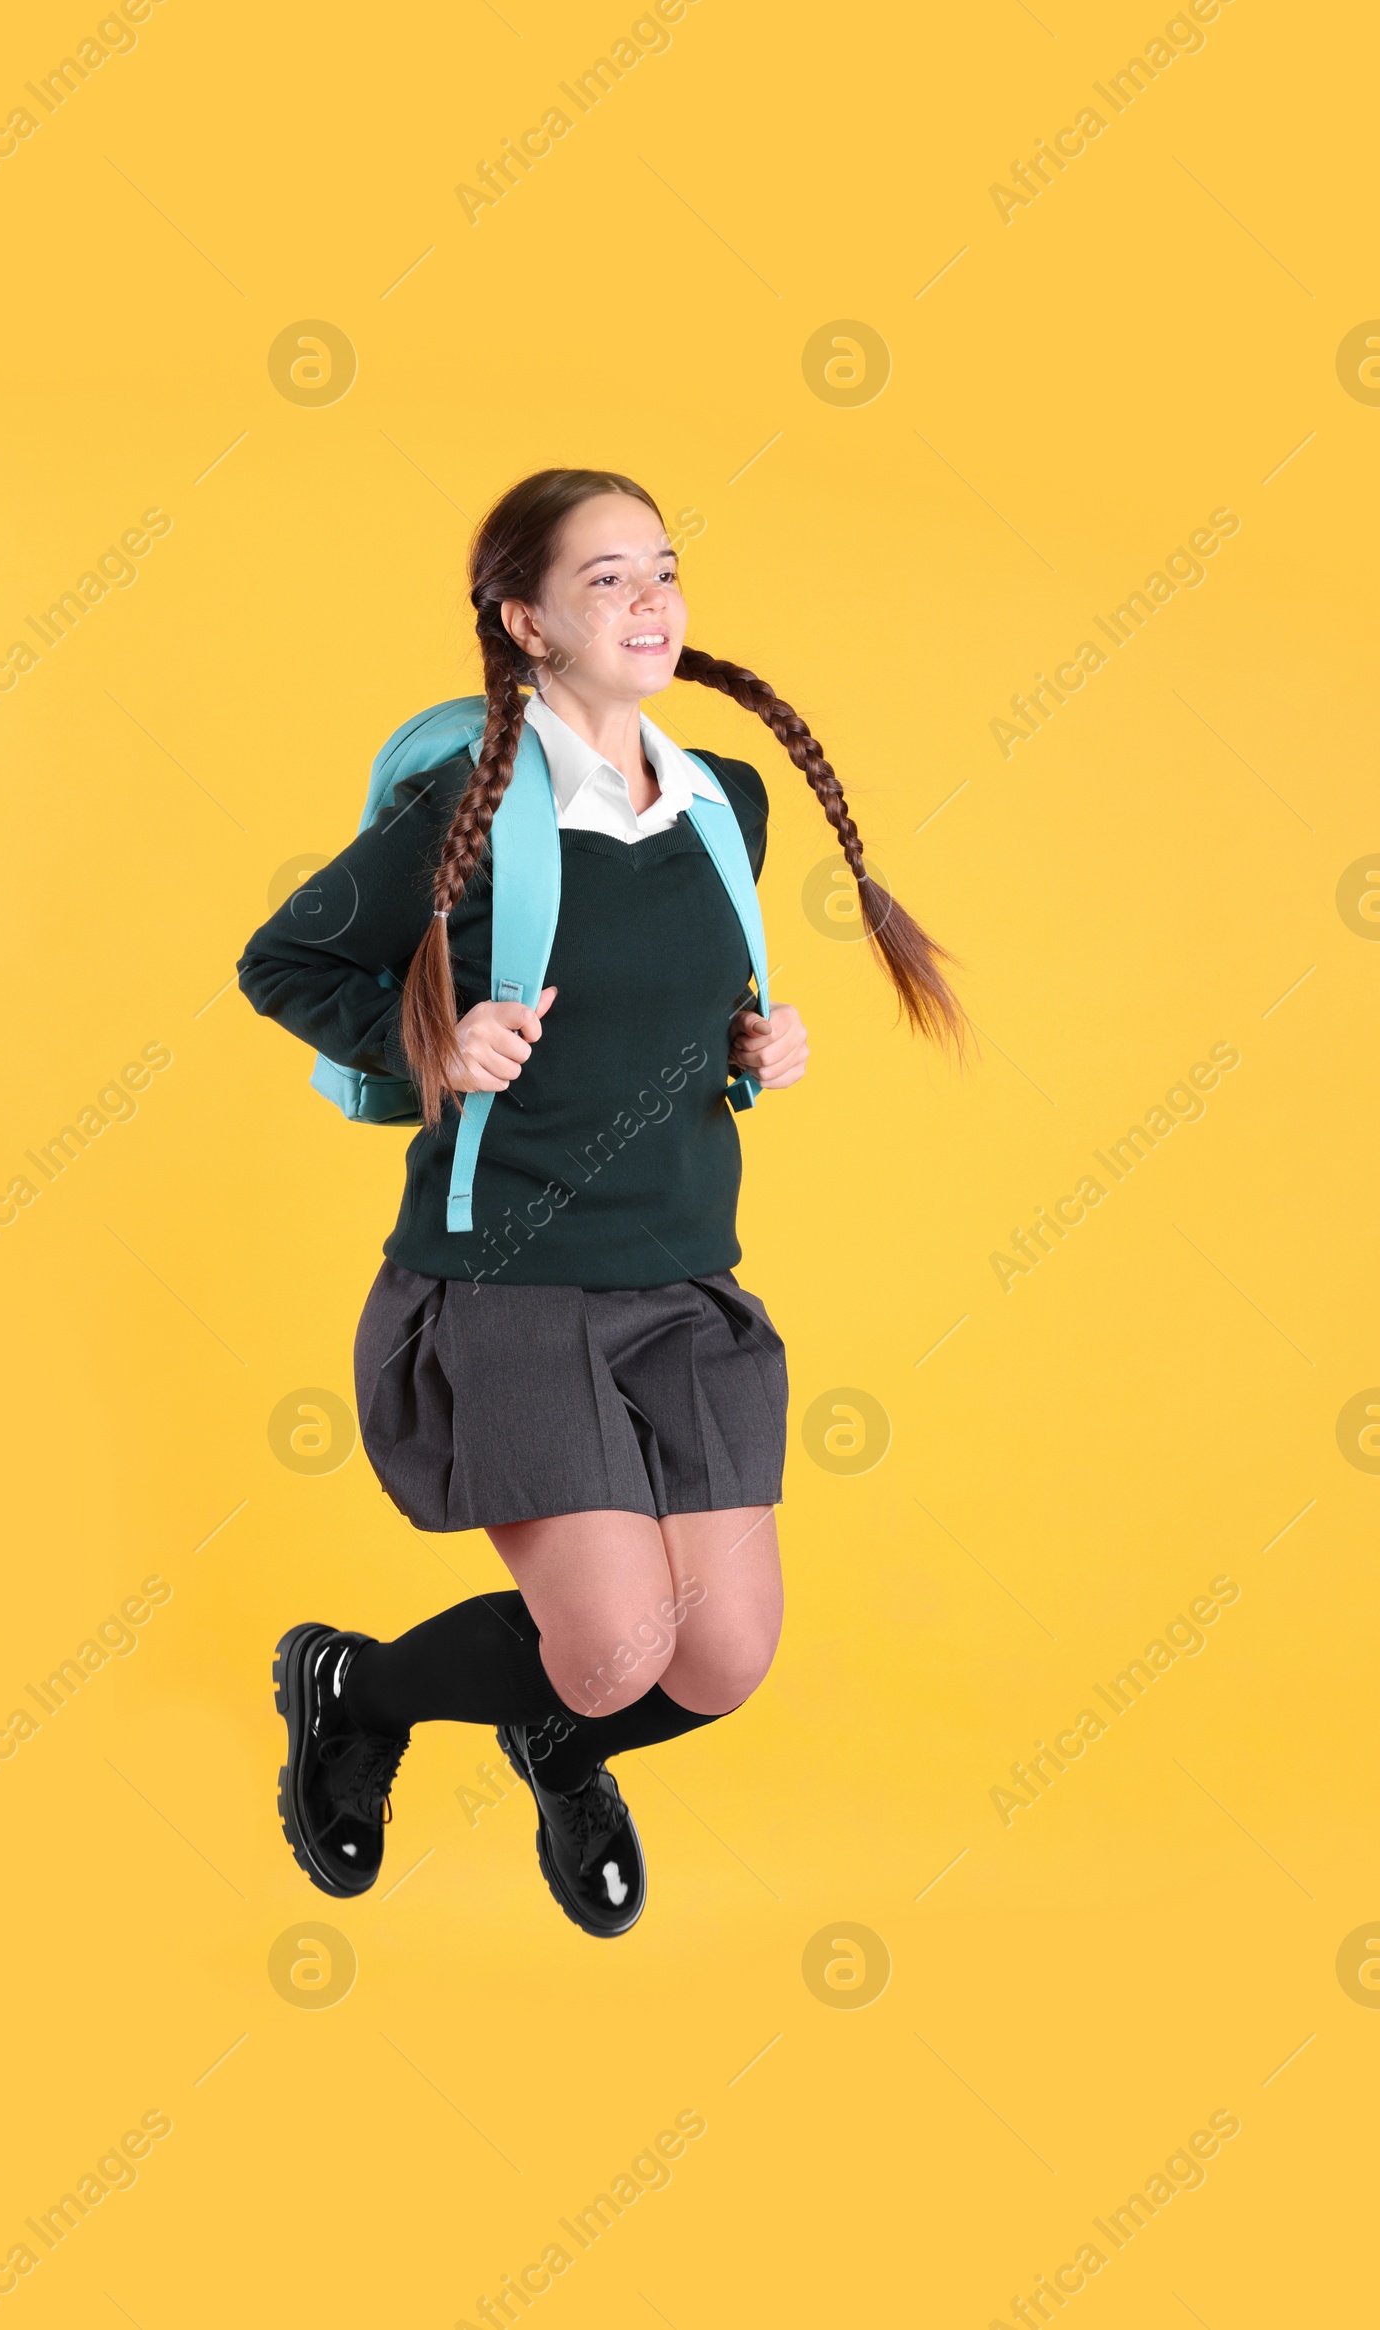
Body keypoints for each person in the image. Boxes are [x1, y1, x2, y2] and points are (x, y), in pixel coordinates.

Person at [237, 467, 964, 1938]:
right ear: (527, 624)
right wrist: (422, 1038)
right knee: (617, 1643)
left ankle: (555, 1742)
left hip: (683, 1281)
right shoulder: (477, 802)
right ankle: (352, 1690)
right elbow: (285, 962)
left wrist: (757, 1045)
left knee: (724, 1660)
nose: (652, 601)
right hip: (508, 1284)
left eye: (664, 569)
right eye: (608, 578)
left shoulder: (722, 805)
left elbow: (668, 1009)